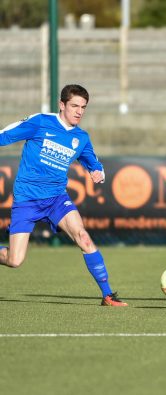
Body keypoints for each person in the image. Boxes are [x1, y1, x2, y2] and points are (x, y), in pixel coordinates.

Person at [0, 84, 127, 307]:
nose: (79, 111)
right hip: (27, 200)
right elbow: (4, 136)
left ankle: (108, 295)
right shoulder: (40, 122)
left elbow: (93, 163)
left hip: (57, 199)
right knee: (15, 260)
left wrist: (98, 172)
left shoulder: (81, 137)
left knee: (84, 237)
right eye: (74, 106)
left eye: (83, 107)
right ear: (62, 105)